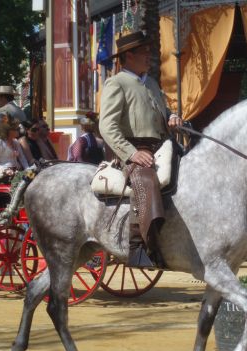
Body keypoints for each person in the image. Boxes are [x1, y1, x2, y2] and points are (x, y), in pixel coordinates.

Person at [98, 31, 182, 268]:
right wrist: (131, 153)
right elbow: (106, 125)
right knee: (145, 180)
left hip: (160, 146)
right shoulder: (116, 83)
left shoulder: (152, 83)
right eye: (145, 51)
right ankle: (137, 246)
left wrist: (172, 117)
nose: (149, 56)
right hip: (132, 149)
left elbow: (163, 114)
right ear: (129, 55)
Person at [0, 116, 29, 182]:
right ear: (8, 131)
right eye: (16, 129)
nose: (19, 130)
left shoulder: (15, 142)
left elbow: (22, 158)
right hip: (4, 176)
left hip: (17, 172)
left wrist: (28, 169)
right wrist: (5, 170)